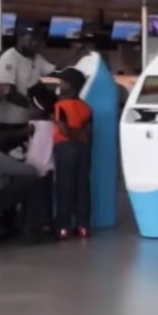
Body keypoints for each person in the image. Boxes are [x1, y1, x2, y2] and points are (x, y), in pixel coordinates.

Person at [51, 67, 93, 239]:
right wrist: (79, 135)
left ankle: (64, 227)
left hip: (65, 148)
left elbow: (63, 129)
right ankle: (83, 226)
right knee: (82, 186)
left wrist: (71, 135)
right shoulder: (86, 107)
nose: (60, 84)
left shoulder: (60, 105)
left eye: (63, 82)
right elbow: (89, 131)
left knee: (64, 186)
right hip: (83, 148)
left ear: (71, 85)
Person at [0, 28, 54, 127]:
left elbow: (54, 73)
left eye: (38, 40)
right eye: (32, 39)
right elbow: (6, 90)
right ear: (20, 38)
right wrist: (31, 107)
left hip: (27, 120)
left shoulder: (37, 58)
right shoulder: (8, 58)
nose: (35, 43)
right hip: (7, 122)